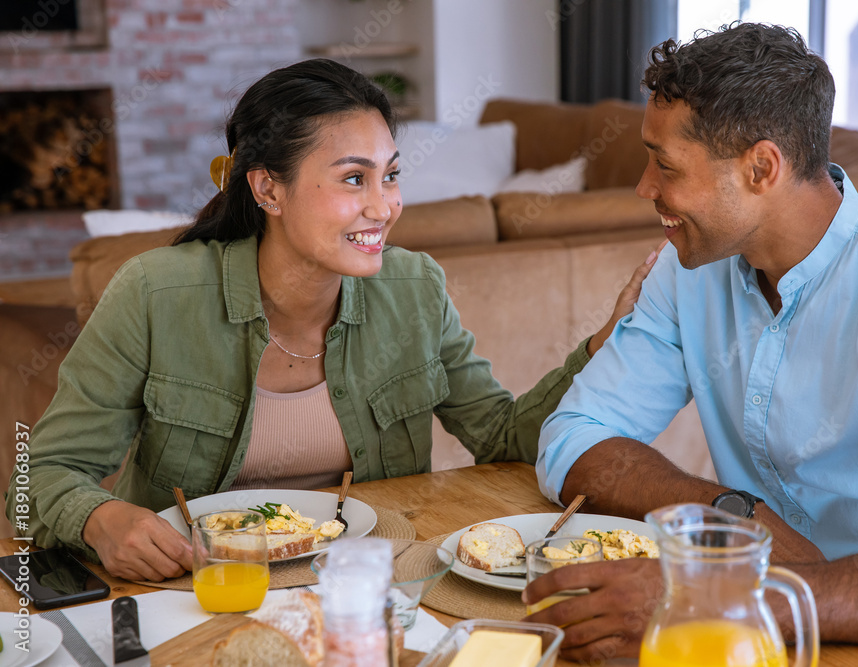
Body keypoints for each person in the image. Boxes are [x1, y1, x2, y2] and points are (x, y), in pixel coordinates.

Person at [6, 59, 660, 583]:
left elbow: (500, 435)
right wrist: (101, 517)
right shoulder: (155, 293)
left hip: (375, 584)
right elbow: (41, 476)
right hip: (198, 591)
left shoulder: (416, 288)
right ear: (267, 188)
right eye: (354, 179)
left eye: (392, 175)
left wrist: (602, 341)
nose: (385, 206)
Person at [525, 22, 858, 666]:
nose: (644, 188)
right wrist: (733, 516)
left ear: (761, 167)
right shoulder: (688, 270)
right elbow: (573, 434)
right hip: (750, 641)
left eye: (665, 165)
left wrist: (719, 590)